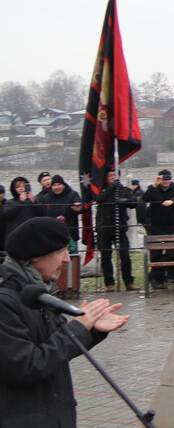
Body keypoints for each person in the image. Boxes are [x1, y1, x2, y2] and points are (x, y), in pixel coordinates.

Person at [0, 216, 130, 426]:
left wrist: (90, 329)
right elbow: (27, 366)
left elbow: (54, 351)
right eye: (61, 251)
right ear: (35, 255)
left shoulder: (38, 294)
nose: (67, 259)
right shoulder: (6, 302)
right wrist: (78, 328)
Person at [140, 170, 174, 290]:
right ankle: (157, 280)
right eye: (163, 179)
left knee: (170, 253)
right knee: (155, 254)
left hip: (171, 226)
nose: (165, 181)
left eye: (168, 179)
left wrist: (172, 201)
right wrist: (154, 185)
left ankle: (154, 275)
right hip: (156, 226)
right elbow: (145, 198)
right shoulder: (153, 188)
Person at [94, 169, 137, 292]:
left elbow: (133, 202)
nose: (113, 177)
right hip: (105, 228)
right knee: (106, 256)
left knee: (125, 255)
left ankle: (128, 282)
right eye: (110, 175)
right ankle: (109, 283)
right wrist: (111, 188)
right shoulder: (102, 190)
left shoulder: (123, 190)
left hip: (120, 227)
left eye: (115, 175)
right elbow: (99, 199)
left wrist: (124, 201)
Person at [37, 175, 82, 246]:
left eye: (59, 184)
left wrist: (79, 208)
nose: (57, 187)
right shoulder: (46, 198)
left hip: (70, 233)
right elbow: (42, 214)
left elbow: (79, 205)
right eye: (54, 185)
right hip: (53, 233)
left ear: (64, 185)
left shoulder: (73, 194)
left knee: (72, 255)